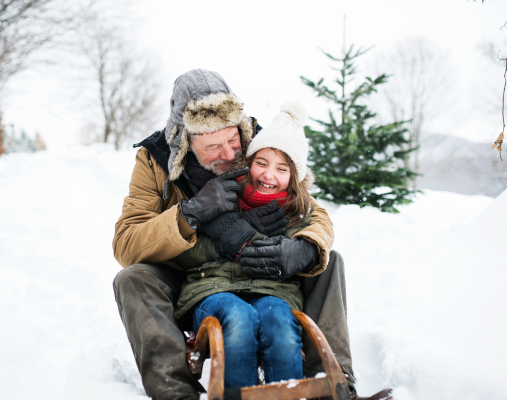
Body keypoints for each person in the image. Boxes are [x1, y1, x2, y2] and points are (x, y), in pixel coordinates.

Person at [112, 69, 357, 400]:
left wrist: (303, 249)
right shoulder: (155, 160)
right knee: (132, 278)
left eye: (232, 141)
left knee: (328, 261)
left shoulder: (260, 142)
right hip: (193, 273)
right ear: (185, 141)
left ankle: (333, 384)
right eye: (213, 146)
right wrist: (190, 213)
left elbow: (312, 210)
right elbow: (127, 242)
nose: (228, 154)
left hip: (266, 274)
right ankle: (175, 393)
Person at [174, 101, 315, 388]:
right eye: (261, 163)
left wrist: (252, 237)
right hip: (213, 289)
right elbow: (188, 253)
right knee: (238, 318)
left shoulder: (298, 212)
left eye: (282, 169)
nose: (268, 175)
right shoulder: (222, 196)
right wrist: (226, 229)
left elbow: (304, 248)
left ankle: (287, 394)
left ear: (294, 179)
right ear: (248, 164)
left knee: (278, 321)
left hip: (273, 293)